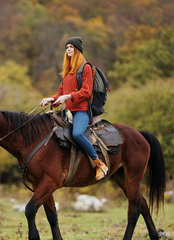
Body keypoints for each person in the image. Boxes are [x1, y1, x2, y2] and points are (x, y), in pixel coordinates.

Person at [40, 36, 108, 180]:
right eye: (67, 47)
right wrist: (50, 99)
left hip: (81, 111)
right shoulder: (67, 71)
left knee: (77, 134)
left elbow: (86, 91)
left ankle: (99, 163)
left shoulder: (86, 68)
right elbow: (60, 93)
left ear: (77, 50)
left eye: (71, 47)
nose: (68, 49)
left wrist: (68, 97)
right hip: (68, 110)